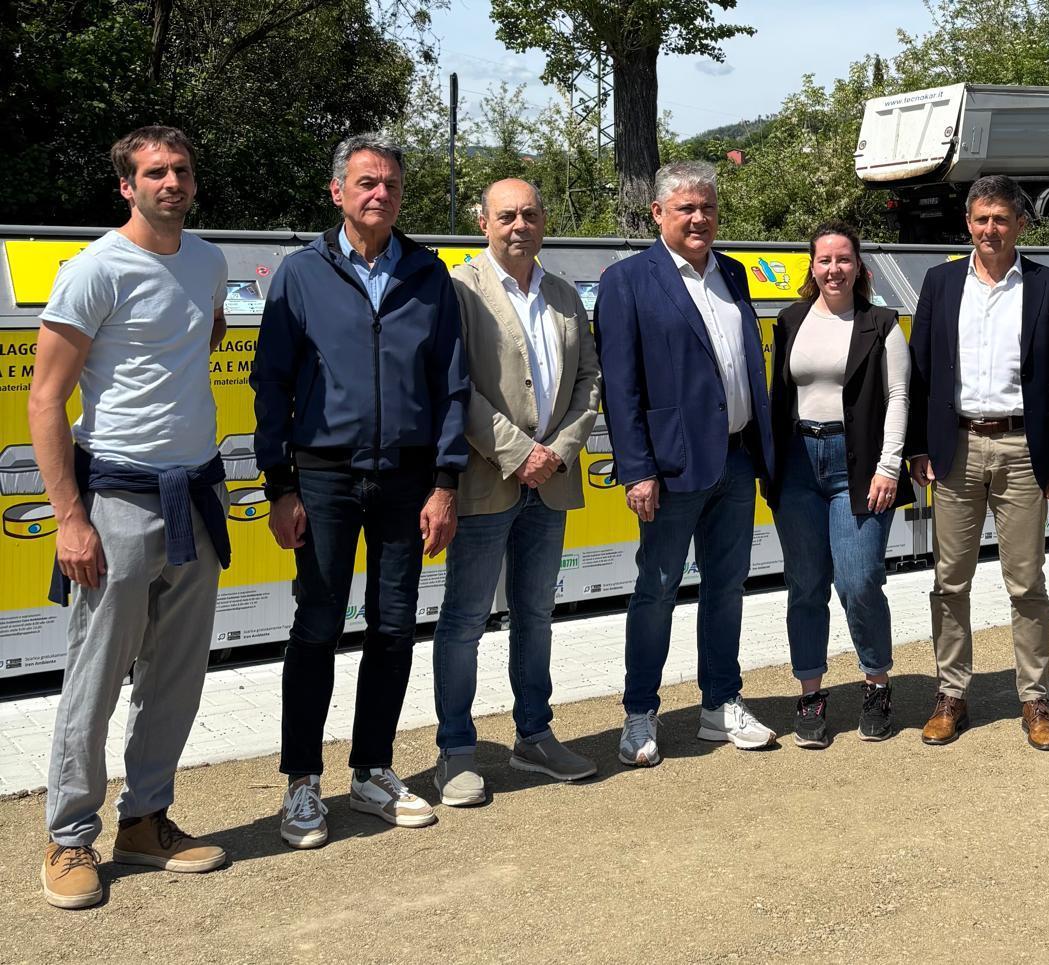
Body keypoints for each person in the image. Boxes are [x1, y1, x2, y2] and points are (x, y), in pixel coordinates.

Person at [29, 126, 230, 909]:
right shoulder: (93, 271)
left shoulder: (208, 261)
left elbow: (201, 337)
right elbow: (46, 398)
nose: (170, 182)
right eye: (154, 172)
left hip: (196, 493)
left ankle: (145, 821)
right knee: (95, 674)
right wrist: (69, 517)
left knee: (175, 674)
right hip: (114, 499)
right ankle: (69, 835)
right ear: (126, 185)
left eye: (181, 169)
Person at [253, 133, 469, 847]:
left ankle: (372, 769)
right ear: (337, 191)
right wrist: (279, 485)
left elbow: (452, 384)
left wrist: (444, 483)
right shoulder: (300, 274)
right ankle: (301, 780)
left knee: (394, 625)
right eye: (367, 182)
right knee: (316, 626)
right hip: (322, 478)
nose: (380, 194)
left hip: (408, 477)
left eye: (391, 185)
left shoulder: (429, 275)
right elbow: (271, 384)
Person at [594, 160, 778, 766]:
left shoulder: (733, 272)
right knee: (656, 590)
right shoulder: (626, 281)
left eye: (708, 208)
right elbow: (621, 387)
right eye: (686, 208)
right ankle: (639, 711)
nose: (699, 218)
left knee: (727, 588)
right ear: (658, 213)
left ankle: (719, 703)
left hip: (736, 459)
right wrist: (637, 469)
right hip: (670, 469)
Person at [429, 178, 601, 805]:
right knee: (465, 620)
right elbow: (454, 385)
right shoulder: (458, 290)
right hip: (485, 481)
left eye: (529, 214)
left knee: (535, 615)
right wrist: (516, 451)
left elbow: (588, 379)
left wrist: (557, 451)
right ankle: (456, 750)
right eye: (506, 216)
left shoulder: (563, 294)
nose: (519, 225)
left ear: (543, 221)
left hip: (549, 481)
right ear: (483, 223)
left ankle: (534, 735)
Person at [906, 175, 1049, 751]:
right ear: (968, 224)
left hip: (1022, 449)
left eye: (1001, 219)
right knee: (949, 580)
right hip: (955, 448)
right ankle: (951, 695)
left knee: (1026, 581)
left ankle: (1035, 699)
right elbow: (919, 371)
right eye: (981, 219)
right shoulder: (939, 284)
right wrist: (918, 446)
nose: (990, 229)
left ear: (1020, 225)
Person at [768, 221, 912, 748]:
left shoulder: (882, 324)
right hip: (799, 465)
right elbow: (779, 395)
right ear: (812, 267)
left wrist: (888, 466)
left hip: (859, 465)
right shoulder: (790, 320)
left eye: (843, 259)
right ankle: (810, 693)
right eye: (825, 260)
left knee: (858, 580)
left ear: (859, 267)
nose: (834, 269)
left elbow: (899, 397)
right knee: (805, 585)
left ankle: (877, 684)